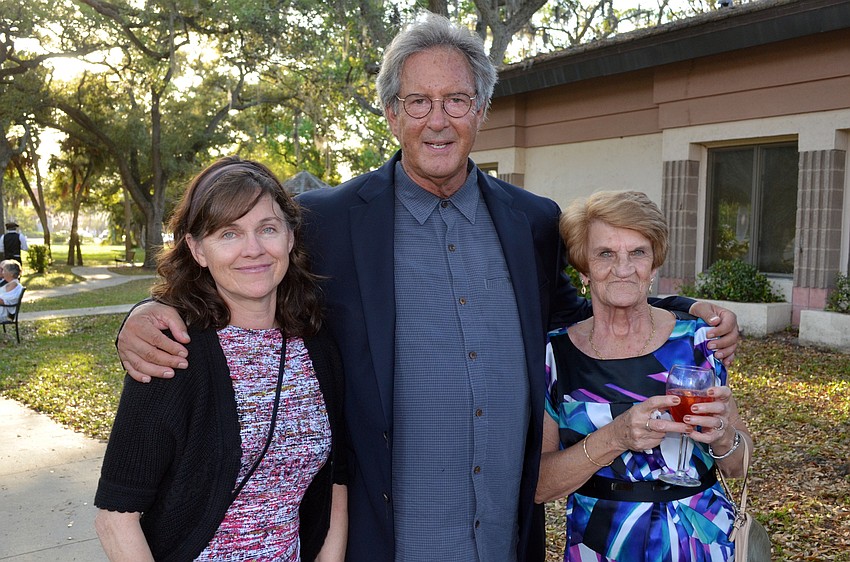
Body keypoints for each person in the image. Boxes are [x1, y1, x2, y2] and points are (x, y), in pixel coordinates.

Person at [113, 14, 739, 562]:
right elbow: (247, 272)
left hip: (502, 527)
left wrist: (684, 310)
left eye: (457, 101)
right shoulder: (328, 221)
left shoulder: (533, 222)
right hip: (383, 530)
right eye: (418, 102)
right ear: (391, 114)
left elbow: (580, 313)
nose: (437, 121)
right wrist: (148, 312)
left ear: (481, 110)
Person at [94, 157, 348, 561]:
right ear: (197, 250)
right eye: (228, 234)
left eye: (267, 228)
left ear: (289, 238)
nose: (253, 250)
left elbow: (335, 478)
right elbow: (116, 517)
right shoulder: (171, 354)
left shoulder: (317, 347)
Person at [537, 190, 752, 561]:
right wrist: (616, 436)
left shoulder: (699, 342)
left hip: (700, 541)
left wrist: (722, 436)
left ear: (654, 266)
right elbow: (540, 485)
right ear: (584, 269)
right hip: (601, 545)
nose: (623, 268)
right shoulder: (555, 355)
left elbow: (737, 466)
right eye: (605, 254)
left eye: (637, 252)